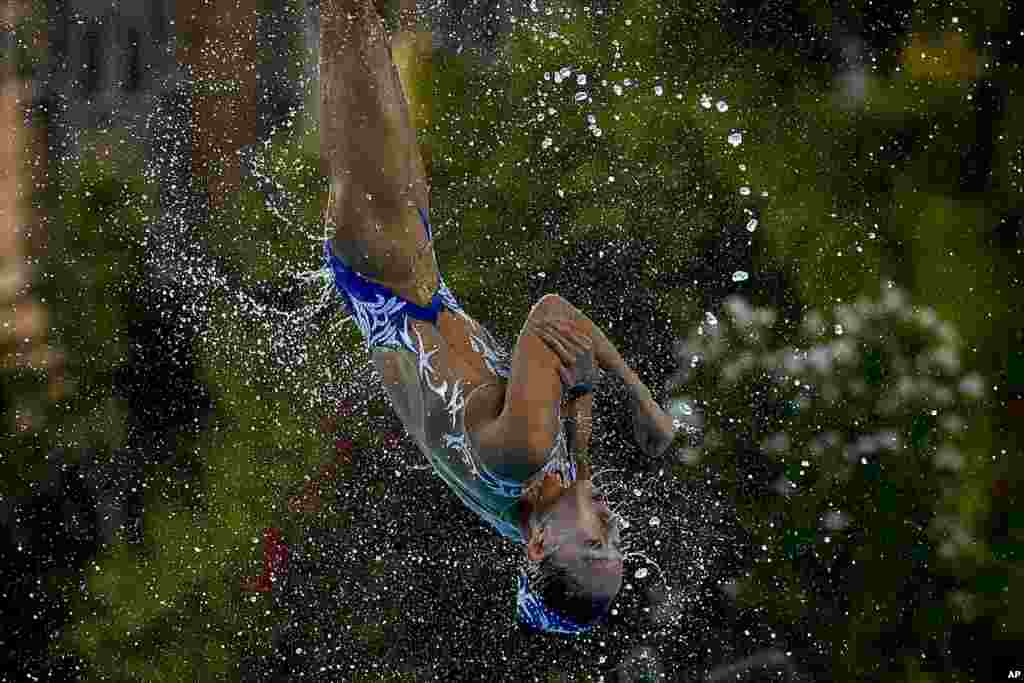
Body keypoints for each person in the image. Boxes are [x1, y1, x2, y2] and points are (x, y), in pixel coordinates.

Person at [309, 0, 677, 634]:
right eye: (618, 545)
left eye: (595, 545)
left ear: (536, 550)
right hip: (399, 267)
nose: (612, 526)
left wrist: (641, 396)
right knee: (367, 19)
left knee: (349, 19)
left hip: (386, 256)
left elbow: (549, 317)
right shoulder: (541, 499)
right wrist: (584, 398)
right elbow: (574, 440)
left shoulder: (524, 454)